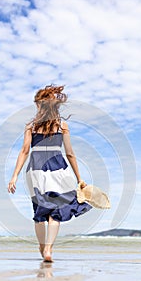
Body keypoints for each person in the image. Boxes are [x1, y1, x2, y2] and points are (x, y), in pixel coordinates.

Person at [8, 85, 92, 262]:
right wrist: (79, 178)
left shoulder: (31, 126)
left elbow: (24, 151)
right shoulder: (62, 125)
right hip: (58, 168)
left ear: (39, 105)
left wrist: (14, 175)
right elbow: (70, 153)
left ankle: (42, 247)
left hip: (36, 169)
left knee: (40, 211)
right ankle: (49, 249)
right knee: (55, 211)